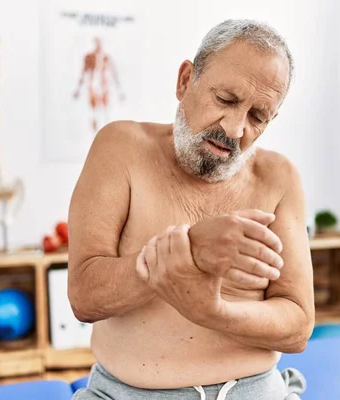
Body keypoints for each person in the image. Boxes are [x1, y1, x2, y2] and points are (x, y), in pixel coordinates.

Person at [67, 19, 315, 400]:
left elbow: (297, 327)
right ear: (185, 81)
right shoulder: (121, 147)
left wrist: (213, 312)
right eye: (226, 100)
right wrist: (189, 251)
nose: (234, 129)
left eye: (257, 117)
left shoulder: (279, 177)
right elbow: (85, 297)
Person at [73, 36, 125, 133]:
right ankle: (94, 133)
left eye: (100, 43)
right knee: (93, 111)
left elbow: (114, 74)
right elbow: (83, 73)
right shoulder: (89, 57)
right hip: (93, 85)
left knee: (105, 110)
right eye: (96, 43)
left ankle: (106, 133)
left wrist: (119, 90)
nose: (98, 46)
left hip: (103, 85)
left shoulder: (106, 57)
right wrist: (78, 89)